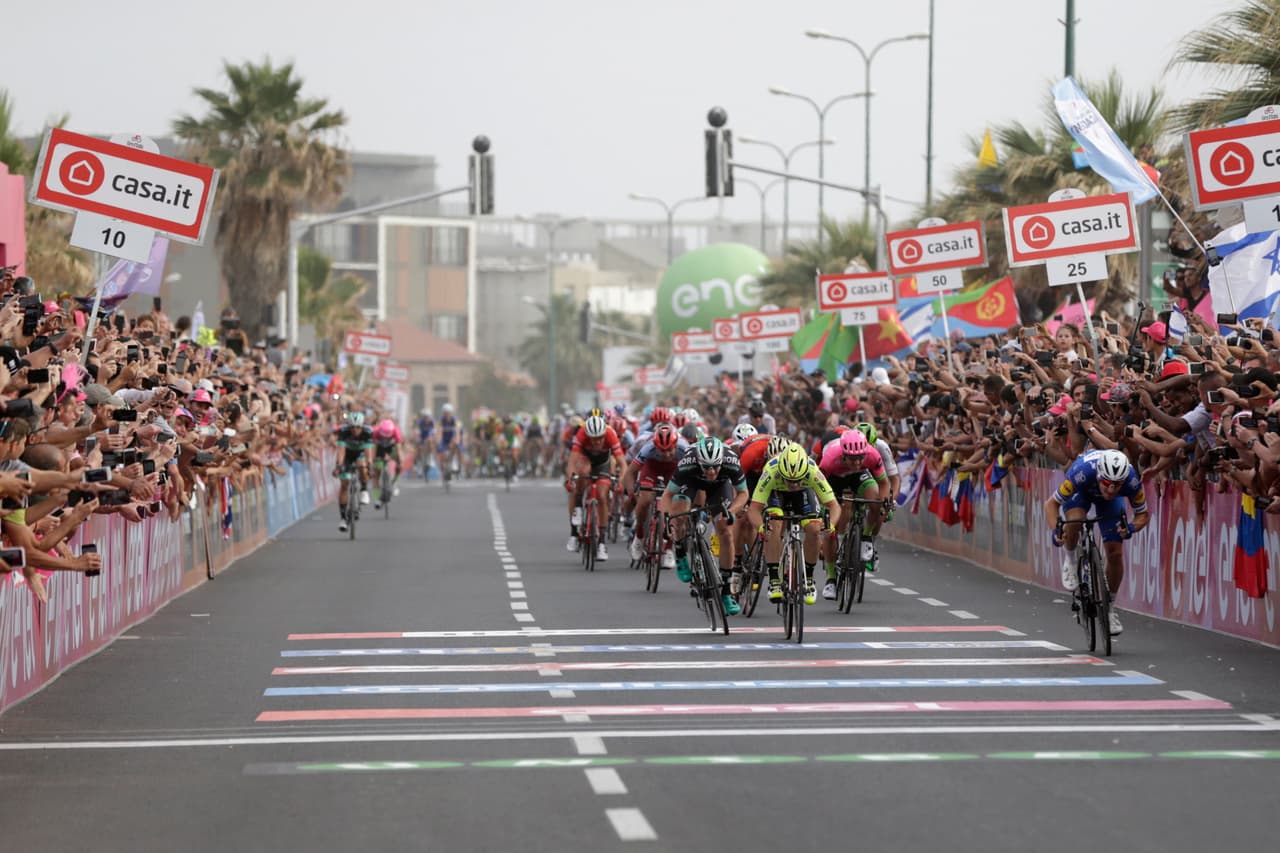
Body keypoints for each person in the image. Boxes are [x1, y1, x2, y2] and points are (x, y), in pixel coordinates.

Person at [1044, 448, 1150, 637]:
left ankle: (1109, 609)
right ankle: (1070, 560)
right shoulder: (1082, 472)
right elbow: (1051, 504)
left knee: (1115, 553)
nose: (1111, 489)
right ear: (1100, 475)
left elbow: (1142, 514)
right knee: (1075, 520)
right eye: (1107, 483)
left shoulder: (1131, 481)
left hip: (1109, 504)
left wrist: (1131, 528)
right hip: (1082, 492)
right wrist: (1056, 532)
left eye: (1116, 485)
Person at [657, 436, 750, 616]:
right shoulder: (688, 461)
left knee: (726, 532)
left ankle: (725, 591)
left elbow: (743, 493)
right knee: (680, 513)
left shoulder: (730, 460)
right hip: (692, 482)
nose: (712, 471)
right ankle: (680, 551)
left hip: (720, 487)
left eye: (716, 466)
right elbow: (668, 494)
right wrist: (668, 518)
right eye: (707, 467)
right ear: (699, 461)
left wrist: (731, 511)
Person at [746, 442, 841, 606]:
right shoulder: (770, 471)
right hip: (776, 493)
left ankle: (809, 579)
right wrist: (761, 528)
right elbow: (754, 509)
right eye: (789, 480)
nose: (793, 484)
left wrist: (830, 526)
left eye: (797, 480)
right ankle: (775, 579)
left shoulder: (812, 471)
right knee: (773, 525)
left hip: (803, 494)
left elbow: (834, 506)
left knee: (814, 528)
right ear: (781, 472)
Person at [817, 429, 890, 599]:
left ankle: (865, 538)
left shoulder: (872, 455)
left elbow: (884, 483)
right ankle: (831, 579)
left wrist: (884, 502)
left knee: (875, 500)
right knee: (829, 531)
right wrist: (823, 509)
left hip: (859, 478)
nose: (857, 462)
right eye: (852, 459)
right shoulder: (829, 459)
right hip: (833, 481)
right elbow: (818, 486)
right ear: (843, 454)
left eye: (860, 458)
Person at [621, 422, 687, 566]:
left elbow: (691, 474)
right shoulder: (647, 447)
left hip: (673, 469)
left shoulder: (684, 448)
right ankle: (639, 536)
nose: (666, 454)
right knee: (644, 500)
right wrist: (631, 492)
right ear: (655, 446)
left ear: (676, 445)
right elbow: (630, 472)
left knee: (674, 506)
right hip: (651, 468)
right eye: (662, 451)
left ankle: (669, 549)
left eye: (670, 450)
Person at [566, 414, 625, 560]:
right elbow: (572, 462)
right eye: (593, 438)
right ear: (587, 435)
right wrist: (570, 480)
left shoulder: (611, 434)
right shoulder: (581, 434)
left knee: (602, 496)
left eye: (600, 437)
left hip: (603, 463)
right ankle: (575, 525)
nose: (597, 442)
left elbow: (623, 464)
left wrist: (620, 482)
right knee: (581, 474)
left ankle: (601, 543)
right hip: (585, 460)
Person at [332, 410, 374, 532]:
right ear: (348, 426)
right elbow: (340, 451)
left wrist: (370, 466)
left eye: (358, 427)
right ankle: (343, 518)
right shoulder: (343, 431)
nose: (355, 430)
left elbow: (368, 453)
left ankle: (364, 489)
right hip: (347, 454)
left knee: (362, 464)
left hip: (360, 453)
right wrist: (339, 466)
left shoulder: (367, 432)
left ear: (362, 426)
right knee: (344, 484)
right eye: (352, 427)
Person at [371, 418, 402, 509]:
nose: (385, 437)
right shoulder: (375, 432)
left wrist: (399, 461)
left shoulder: (396, 432)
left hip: (391, 448)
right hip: (379, 448)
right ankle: (377, 498)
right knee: (377, 472)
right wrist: (373, 461)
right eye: (383, 436)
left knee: (399, 465)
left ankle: (394, 482)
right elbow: (373, 448)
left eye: (387, 436)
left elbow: (398, 448)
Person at [435, 403, 461, 485]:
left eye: (448, 413)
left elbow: (457, 432)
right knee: (442, 456)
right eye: (445, 413)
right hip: (443, 439)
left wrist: (457, 441)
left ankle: (453, 461)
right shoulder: (440, 421)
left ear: (451, 413)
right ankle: (443, 473)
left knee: (455, 444)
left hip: (452, 439)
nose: (447, 415)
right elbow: (438, 432)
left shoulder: (455, 420)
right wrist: (438, 442)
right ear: (443, 413)